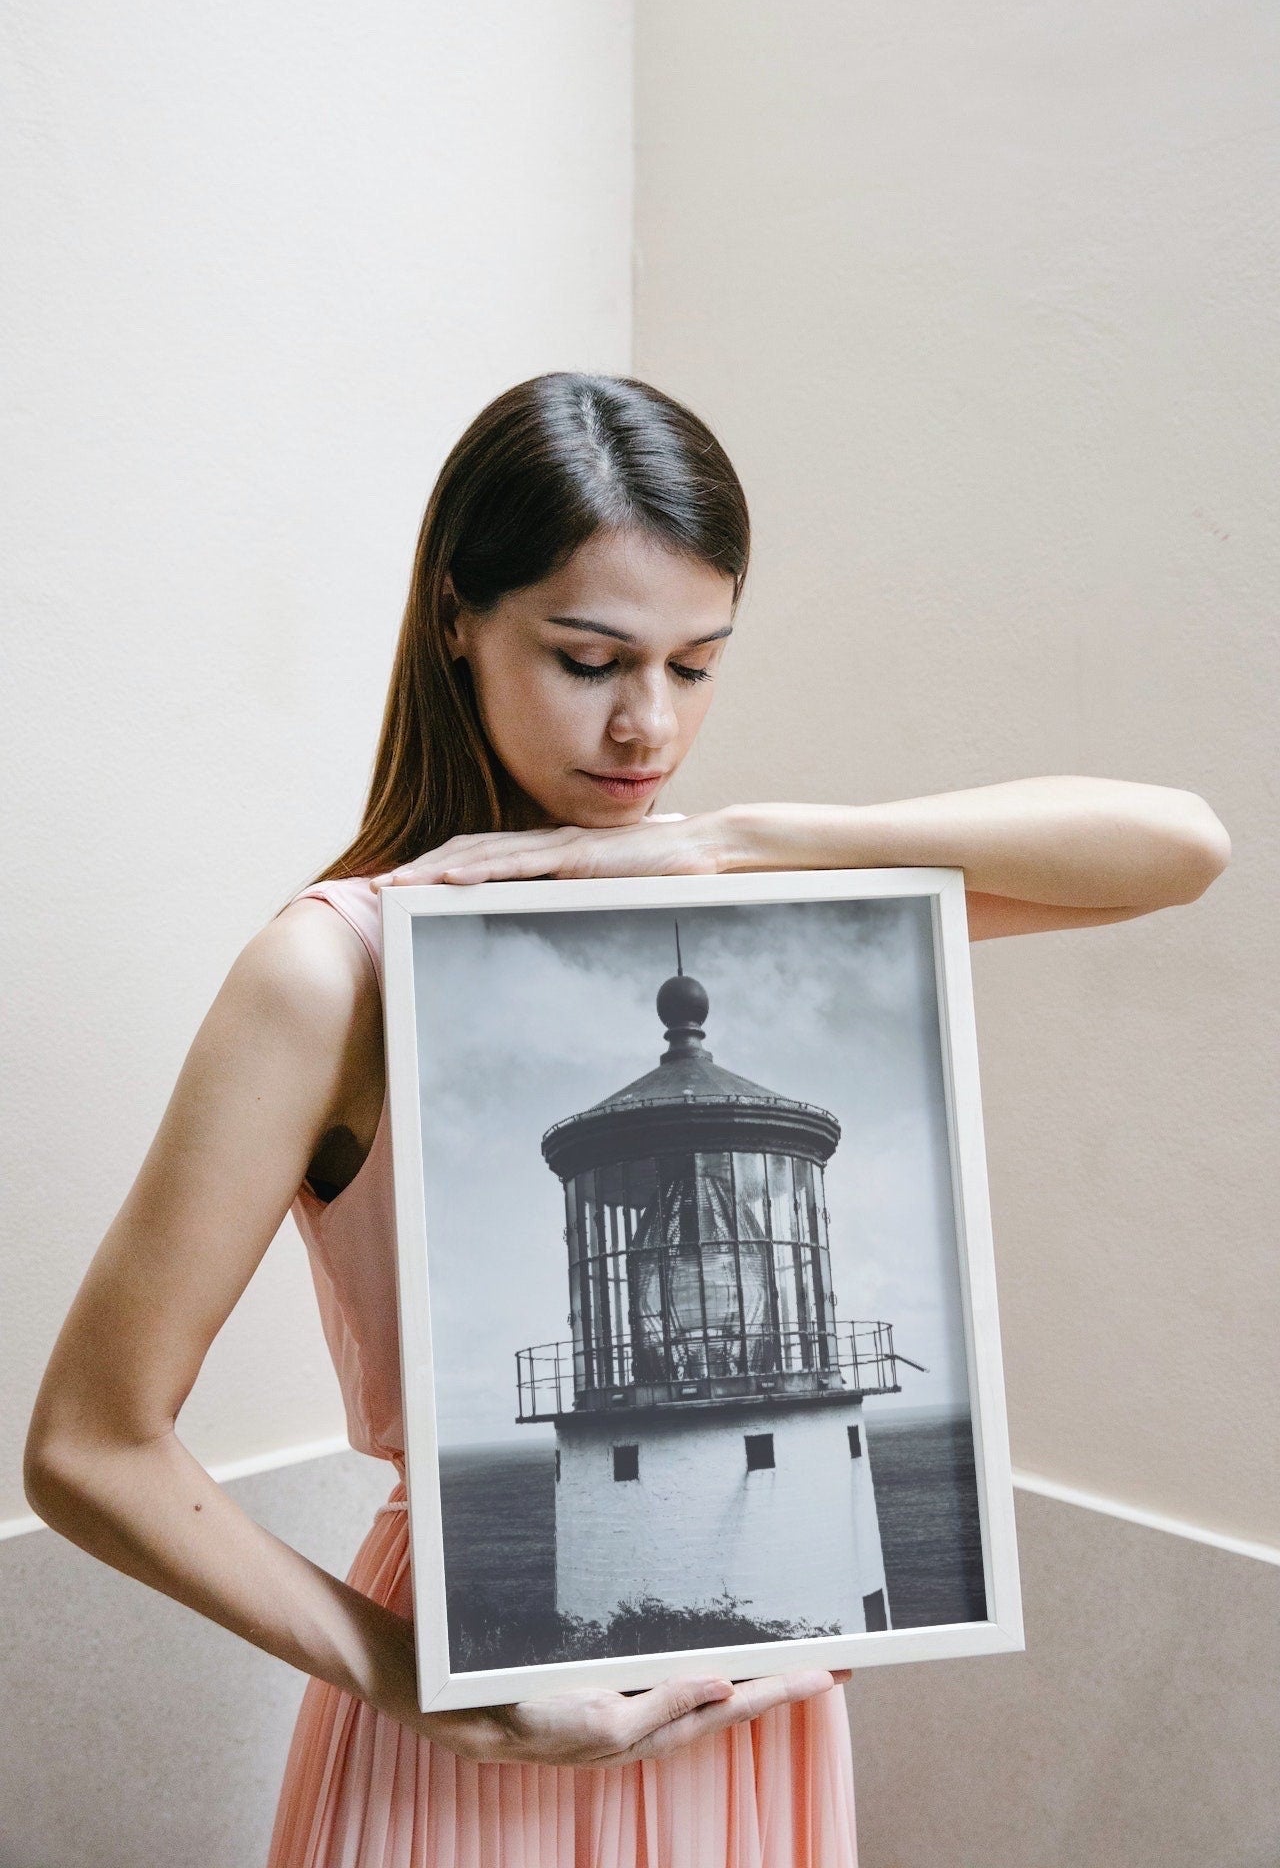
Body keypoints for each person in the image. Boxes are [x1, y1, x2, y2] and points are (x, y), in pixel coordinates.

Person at [23, 371, 1231, 1867]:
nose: (647, 724)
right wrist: (428, 1691)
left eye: (698, 665)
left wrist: (732, 843)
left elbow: (1183, 848)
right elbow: (88, 1444)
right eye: (590, 657)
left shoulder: (721, 879)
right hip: (480, 1724)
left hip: (759, 1717)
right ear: (457, 616)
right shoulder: (329, 970)